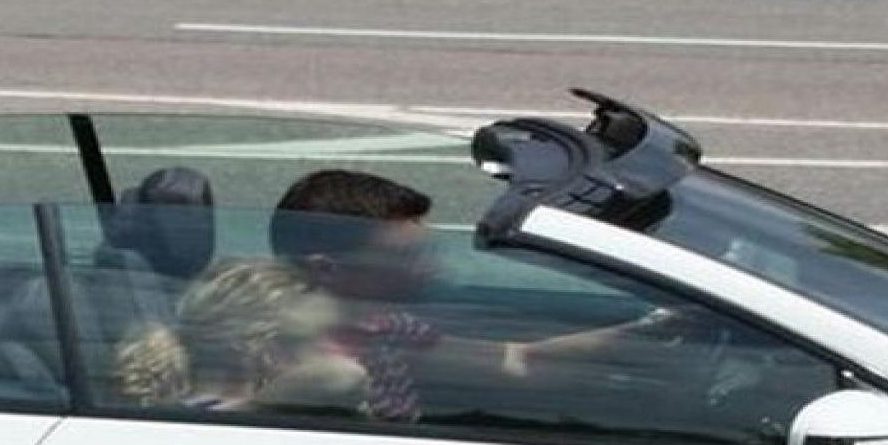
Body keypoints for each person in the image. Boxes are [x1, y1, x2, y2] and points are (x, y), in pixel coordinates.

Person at [269, 170, 680, 423]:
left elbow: (517, 360)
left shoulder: (385, 332)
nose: (429, 269)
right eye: (404, 258)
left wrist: (656, 331)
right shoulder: (304, 361)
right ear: (326, 268)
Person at [115, 259, 367, 413]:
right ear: (259, 348)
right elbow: (343, 375)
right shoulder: (208, 424)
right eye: (316, 341)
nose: (337, 352)